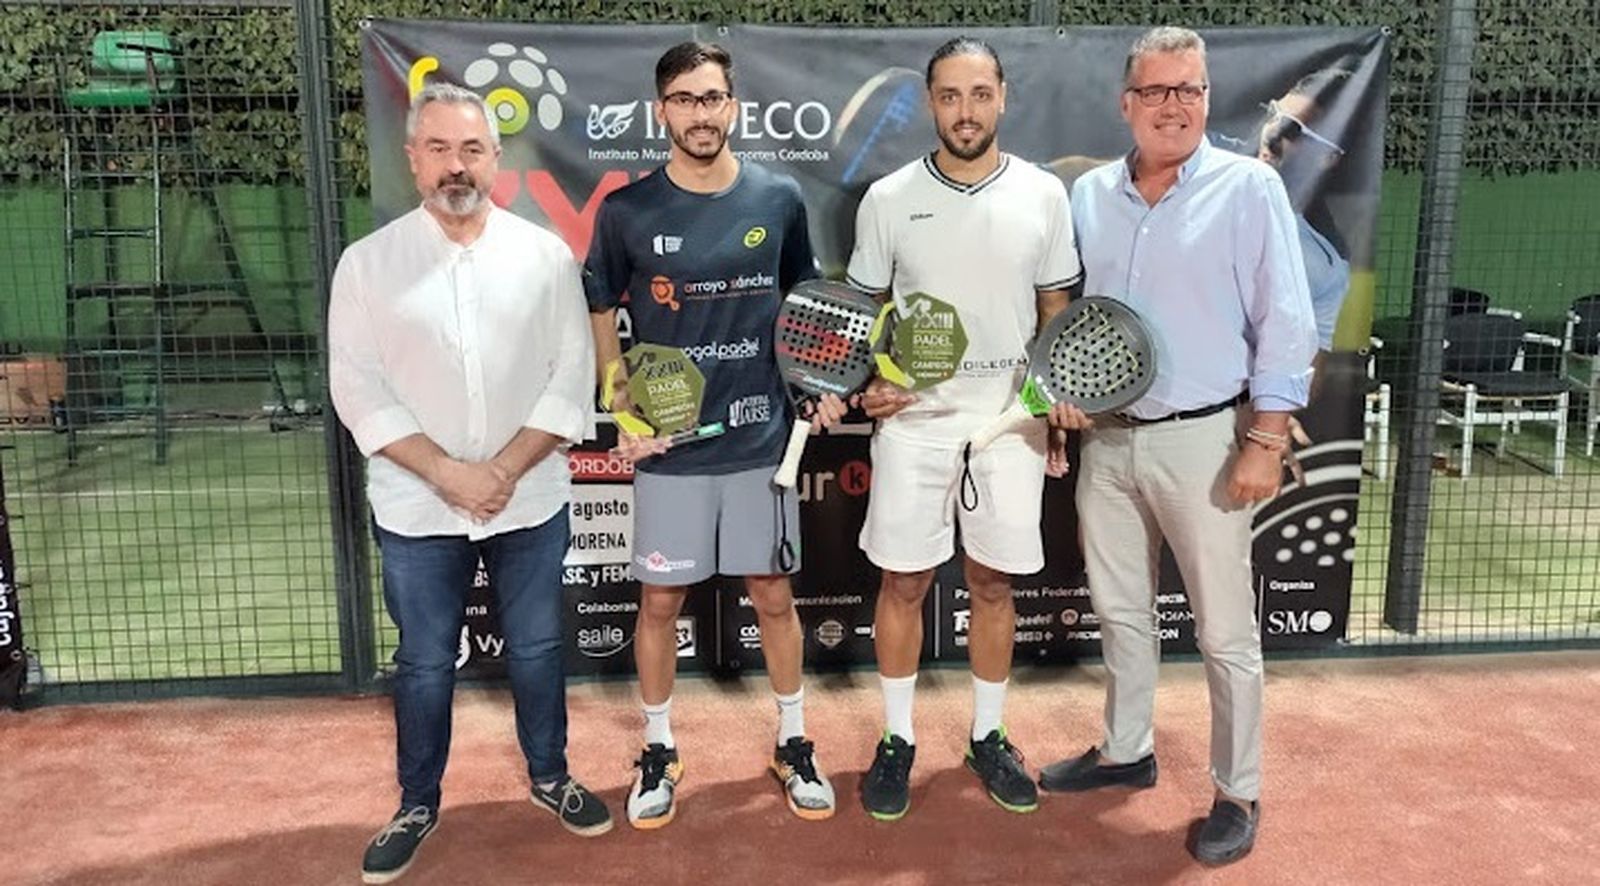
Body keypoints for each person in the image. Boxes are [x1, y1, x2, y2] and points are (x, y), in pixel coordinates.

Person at [1034, 27, 1317, 867]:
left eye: (1189, 90)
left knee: (1224, 631)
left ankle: (1239, 790)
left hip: (1205, 441)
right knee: (1121, 612)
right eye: (1157, 91)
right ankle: (1127, 750)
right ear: (1127, 104)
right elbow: (1071, 322)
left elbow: (1286, 320)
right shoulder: (1090, 196)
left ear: (1206, 99)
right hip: (1108, 442)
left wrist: (1266, 437)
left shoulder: (1248, 187)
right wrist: (1058, 402)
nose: (1173, 106)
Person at [330, 83, 611, 885]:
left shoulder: (545, 257)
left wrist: (502, 472)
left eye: (473, 149)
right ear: (413, 159)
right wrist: (450, 474)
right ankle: (417, 803)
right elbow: (357, 388)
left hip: (529, 499)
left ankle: (550, 777)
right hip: (417, 507)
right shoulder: (367, 265)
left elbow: (571, 377)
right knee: (424, 663)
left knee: (539, 648)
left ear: (496, 159)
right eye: (440, 149)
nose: (457, 166)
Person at [583, 41, 845, 829]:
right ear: (661, 111)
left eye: (713, 98)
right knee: (661, 601)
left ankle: (793, 741)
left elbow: (805, 305)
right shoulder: (626, 211)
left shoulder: (778, 197)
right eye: (685, 100)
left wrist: (816, 387)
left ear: (732, 107)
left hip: (762, 440)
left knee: (772, 595)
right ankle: (659, 749)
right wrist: (618, 398)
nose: (701, 114)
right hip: (669, 449)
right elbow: (601, 303)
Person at [847, 36, 1085, 821]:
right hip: (915, 426)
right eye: (950, 96)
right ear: (930, 103)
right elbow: (864, 314)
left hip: (1009, 424)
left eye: (980, 94)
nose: (966, 111)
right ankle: (897, 738)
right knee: (904, 584)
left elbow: (1055, 310)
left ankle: (987, 735)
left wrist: (1049, 408)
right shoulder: (887, 198)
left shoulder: (1044, 195)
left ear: (1002, 97)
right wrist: (873, 380)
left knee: (992, 584)